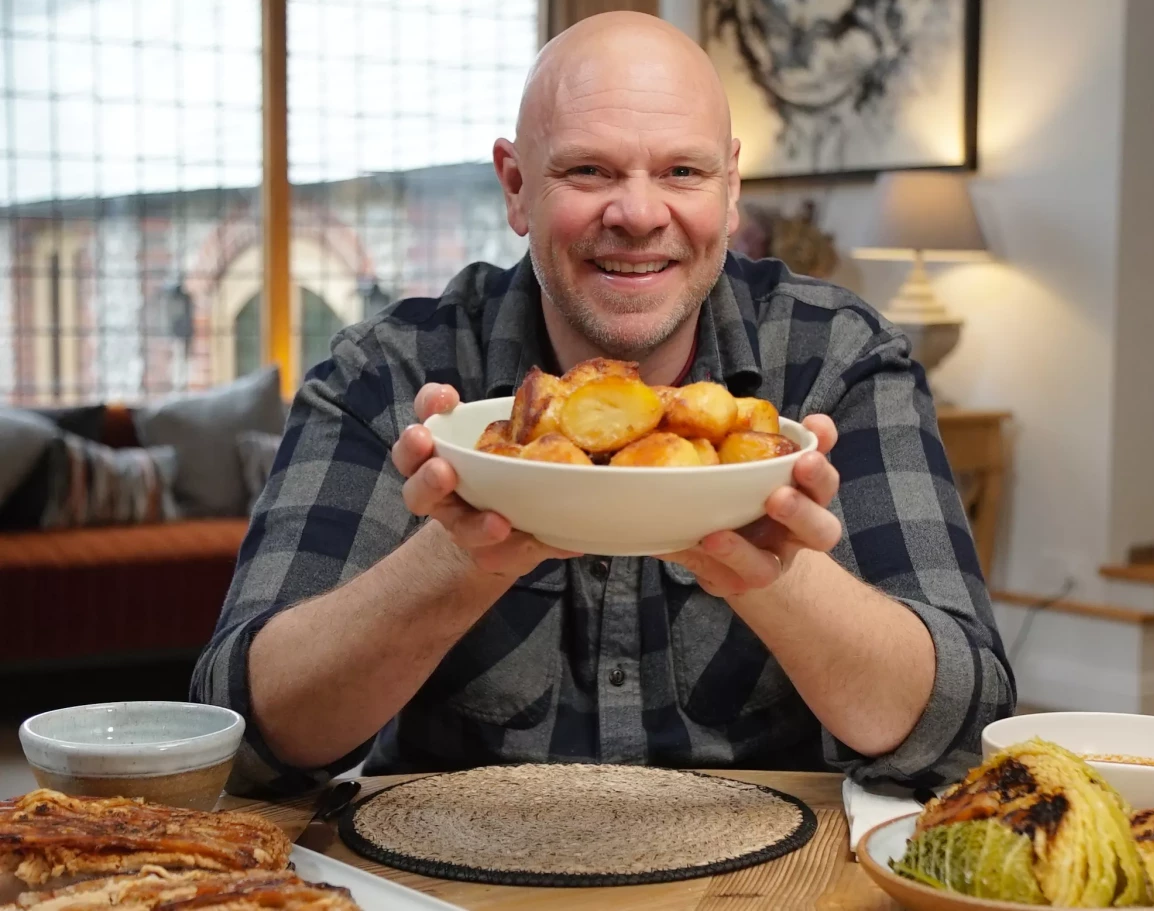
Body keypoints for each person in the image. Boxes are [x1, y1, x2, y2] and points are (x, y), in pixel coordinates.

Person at [192, 11, 1014, 796]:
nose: (639, 214)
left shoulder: (838, 358)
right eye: (588, 170)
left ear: (730, 190)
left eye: (682, 172)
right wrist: (456, 555)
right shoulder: (388, 373)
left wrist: (770, 573)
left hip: (776, 871)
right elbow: (247, 741)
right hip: (445, 866)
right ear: (516, 187)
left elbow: (961, 730)